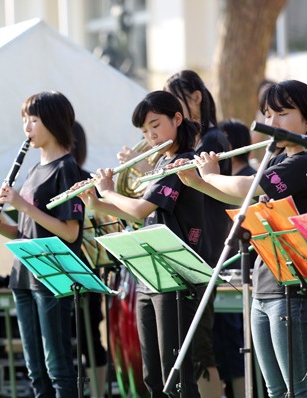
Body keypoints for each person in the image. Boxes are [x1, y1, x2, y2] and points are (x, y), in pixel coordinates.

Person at [177, 79, 307, 397]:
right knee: (274, 390)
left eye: (283, 113)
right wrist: (196, 183)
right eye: (268, 114)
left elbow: (247, 187)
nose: (272, 123)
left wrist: (209, 174)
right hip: (263, 286)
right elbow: (238, 200)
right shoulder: (277, 160)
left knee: (302, 391)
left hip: (295, 289)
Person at [79, 90, 203, 397]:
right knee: (153, 378)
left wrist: (107, 191)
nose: (150, 135)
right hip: (151, 275)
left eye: (155, 125)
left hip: (177, 276)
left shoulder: (182, 162)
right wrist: (96, 204)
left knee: (178, 378)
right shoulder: (161, 162)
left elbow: (139, 209)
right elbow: (136, 212)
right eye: (145, 131)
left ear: (177, 119)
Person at [0, 91, 84, 397]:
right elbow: (30, 231)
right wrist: (1, 228)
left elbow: (69, 232)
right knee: (35, 371)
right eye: (25, 120)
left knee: (58, 369)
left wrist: (22, 205)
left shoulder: (67, 168)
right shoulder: (33, 169)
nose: (27, 127)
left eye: (34, 120)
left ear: (52, 121)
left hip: (50, 278)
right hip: (23, 276)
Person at [163, 69, 229, 397]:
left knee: (200, 346)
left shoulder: (212, 140)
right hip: (194, 247)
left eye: (177, 100)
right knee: (191, 345)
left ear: (196, 97)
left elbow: (213, 193)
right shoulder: (193, 143)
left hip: (205, 247)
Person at [213, 119, 256, 398]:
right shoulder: (231, 180)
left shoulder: (248, 179)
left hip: (243, 274)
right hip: (227, 274)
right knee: (223, 347)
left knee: (235, 346)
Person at [70, 120, 108, 398]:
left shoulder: (88, 181)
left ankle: (96, 392)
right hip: (65, 267)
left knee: (90, 336)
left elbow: (103, 223)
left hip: (88, 267)